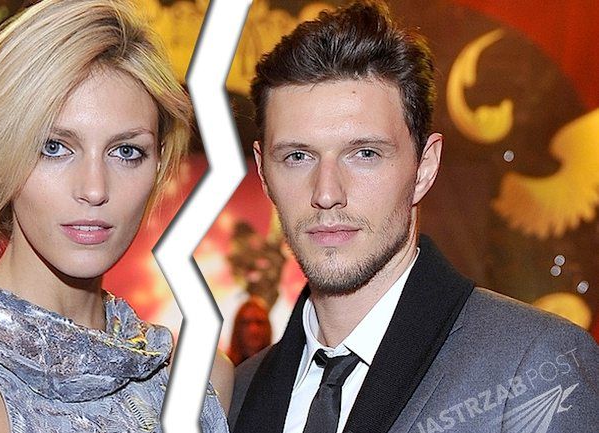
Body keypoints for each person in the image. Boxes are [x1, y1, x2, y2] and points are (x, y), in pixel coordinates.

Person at [0, 0, 231, 431]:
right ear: (2, 154)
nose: (94, 189)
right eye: (54, 147)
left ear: (159, 165)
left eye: (126, 151)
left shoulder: (199, 378)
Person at [228, 2, 599, 433]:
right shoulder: (239, 393)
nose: (326, 193)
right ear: (264, 172)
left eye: (365, 153)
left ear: (424, 168)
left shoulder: (536, 368)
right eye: (297, 156)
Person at [228, 296, 273, 366]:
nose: (253, 329)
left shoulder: (277, 363)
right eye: (246, 323)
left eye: (259, 322)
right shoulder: (226, 366)